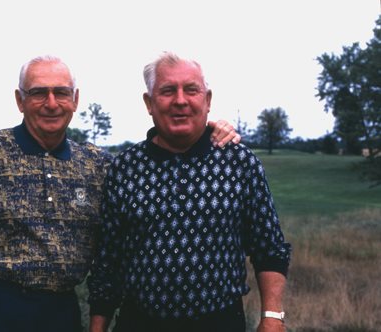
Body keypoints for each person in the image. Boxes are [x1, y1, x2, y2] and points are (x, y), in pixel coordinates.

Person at [0, 55, 240, 332]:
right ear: (20, 100)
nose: (51, 103)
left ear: (75, 100)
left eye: (61, 93)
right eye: (38, 92)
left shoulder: (98, 165)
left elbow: (157, 153)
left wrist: (208, 127)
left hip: (60, 310)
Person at [88, 52, 291, 332]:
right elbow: (108, 261)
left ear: (207, 100)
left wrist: (272, 317)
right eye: (167, 90)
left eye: (191, 90)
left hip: (220, 322)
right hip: (140, 322)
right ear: (149, 103)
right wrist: (98, 327)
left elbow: (269, 248)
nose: (180, 100)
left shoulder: (240, 162)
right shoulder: (124, 168)